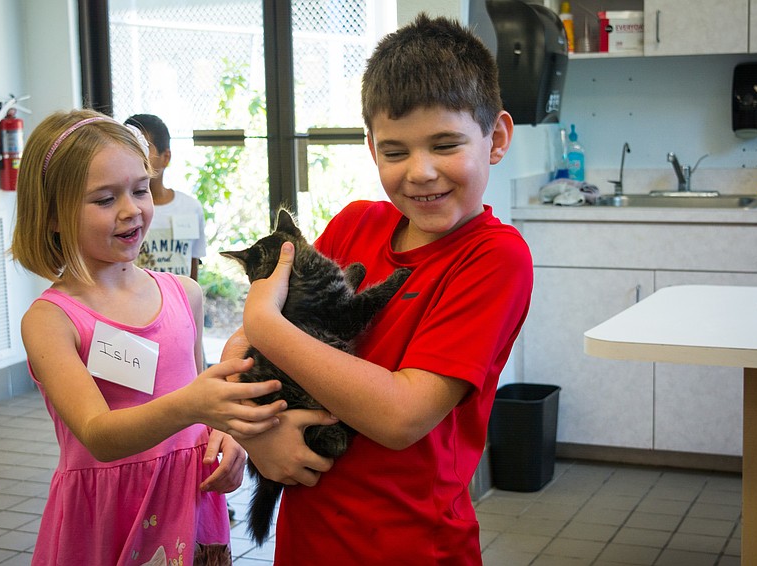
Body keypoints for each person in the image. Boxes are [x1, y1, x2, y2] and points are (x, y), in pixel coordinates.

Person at [227, 13, 533, 565]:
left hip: (411, 545)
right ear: (371, 148)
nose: (420, 172)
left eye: (445, 144)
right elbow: (241, 355)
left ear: (497, 138)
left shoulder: (494, 257)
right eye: (395, 152)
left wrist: (265, 326)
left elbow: (400, 417)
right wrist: (256, 437)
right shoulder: (353, 224)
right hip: (308, 538)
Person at [10, 108, 287, 566]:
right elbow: (99, 434)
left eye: (140, 189)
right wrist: (194, 405)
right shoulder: (52, 320)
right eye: (103, 199)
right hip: (108, 517)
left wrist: (228, 435)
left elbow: (208, 405)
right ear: (54, 215)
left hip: (190, 505)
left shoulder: (185, 295)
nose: (131, 209)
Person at [125, 113, 207, 281]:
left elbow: (192, 267)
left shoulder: (190, 207)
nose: (135, 156)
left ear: (166, 157)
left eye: (144, 148)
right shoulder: (124, 211)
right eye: (129, 148)